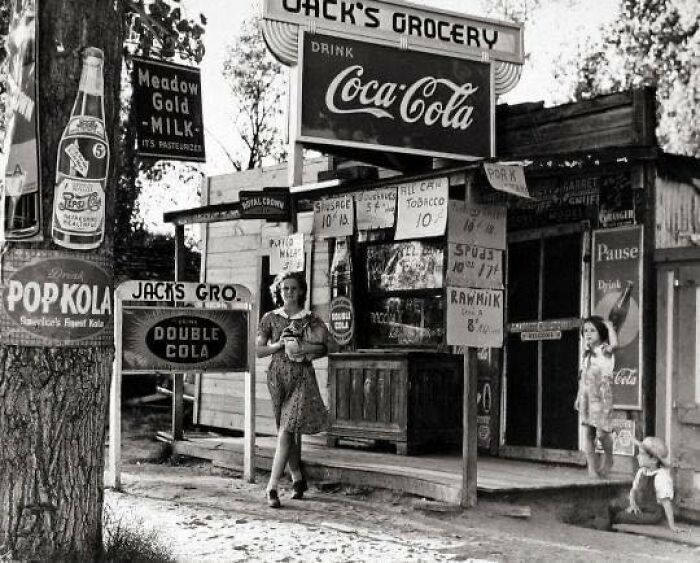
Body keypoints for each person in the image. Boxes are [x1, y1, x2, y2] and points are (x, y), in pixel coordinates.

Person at [256, 271, 332, 508]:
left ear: (301, 291)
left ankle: (271, 487)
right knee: (284, 430)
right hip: (277, 377)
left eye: (293, 288)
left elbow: (325, 348)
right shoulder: (270, 318)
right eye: (284, 288)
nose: (289, 292)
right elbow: (258, 351)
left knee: (286, 431)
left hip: (302, 377)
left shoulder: (311, 319)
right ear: (278, 291)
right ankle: (298, 478)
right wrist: (279, 344)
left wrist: (305, 348)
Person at [608, 436, 688, 532]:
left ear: (654, 460)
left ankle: (609, 529)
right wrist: (632, 504)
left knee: (621, 516)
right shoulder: (642, 471)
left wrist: (672, 526)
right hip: (640, 506)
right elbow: (633, 490)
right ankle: (608, 527)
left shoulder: (661, 477)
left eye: (641, 454)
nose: (638, 456)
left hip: (652, 513)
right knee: (613, 504)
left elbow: (666, 503)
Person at [575, 315, 617, 477]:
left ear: (601, 332)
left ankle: (609, 458)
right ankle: (592, 469)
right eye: (586, 330)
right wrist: (579, 396)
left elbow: (615, 344)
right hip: (586, 394)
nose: (588, 333)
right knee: (588, 432)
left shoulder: (605, 350)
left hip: (601, 394)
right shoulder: (585, 355)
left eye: (592, 330)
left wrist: (610, 327)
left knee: (602, 432)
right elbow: (582, 377)